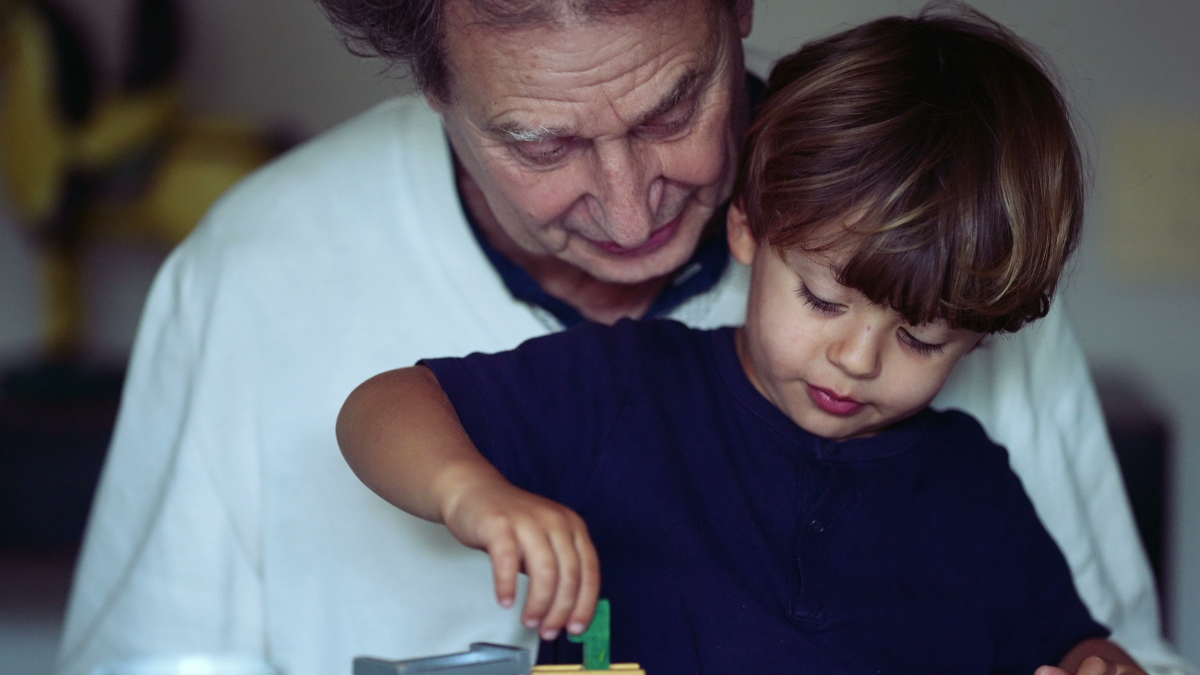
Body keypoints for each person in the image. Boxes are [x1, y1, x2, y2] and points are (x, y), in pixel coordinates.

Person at [55, 1, 1188, 675]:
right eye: (542, 145)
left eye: (671, 111)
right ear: (432, 87)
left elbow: (1106, 646)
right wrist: (472, 494)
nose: (633, 201)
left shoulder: (936, 249)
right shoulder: (255, 269)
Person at [333, 10, 1137, 674]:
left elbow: (1073, 643)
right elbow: (383, 407)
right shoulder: (627, 389)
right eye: (822, 299)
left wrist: (1100, 661)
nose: (857, 360)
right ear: (749, 227)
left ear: (978, 338)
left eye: (921, 339)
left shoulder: (973, 490)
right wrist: (471, 494)